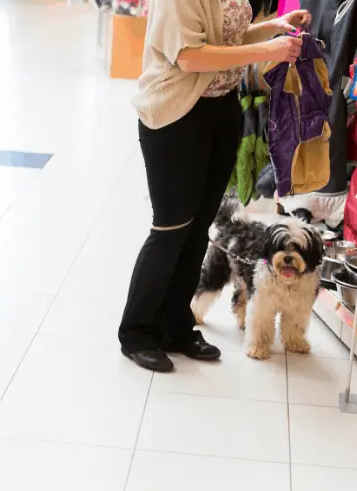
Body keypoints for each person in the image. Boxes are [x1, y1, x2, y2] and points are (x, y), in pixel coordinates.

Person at [119, 0, 312, 372]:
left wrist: (274, 26)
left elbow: (228, 38)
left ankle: (178, 326)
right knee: (171, 227)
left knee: (198, 228)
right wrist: (268, 50)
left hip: (221, 111)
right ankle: (138, 333)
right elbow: (190, 56)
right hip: (175, 116)